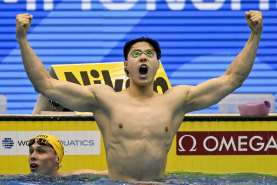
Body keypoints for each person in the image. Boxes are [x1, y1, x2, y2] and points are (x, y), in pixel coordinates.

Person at [17, 10, 263, 181]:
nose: (143, 58)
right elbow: (44, 84)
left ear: (157, 64)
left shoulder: (177, 100)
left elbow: (232, 79)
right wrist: (22, 38)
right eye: (136, 54)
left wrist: (255, 36)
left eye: (149, 54)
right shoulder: (105, 100)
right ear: (125, 65)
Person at [28, 134, 108, 175]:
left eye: (41, 151)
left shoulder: (73, 177)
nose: (32, 156)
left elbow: (108, 174)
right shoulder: (22, 180)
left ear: (57, 158)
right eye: (31, 151)